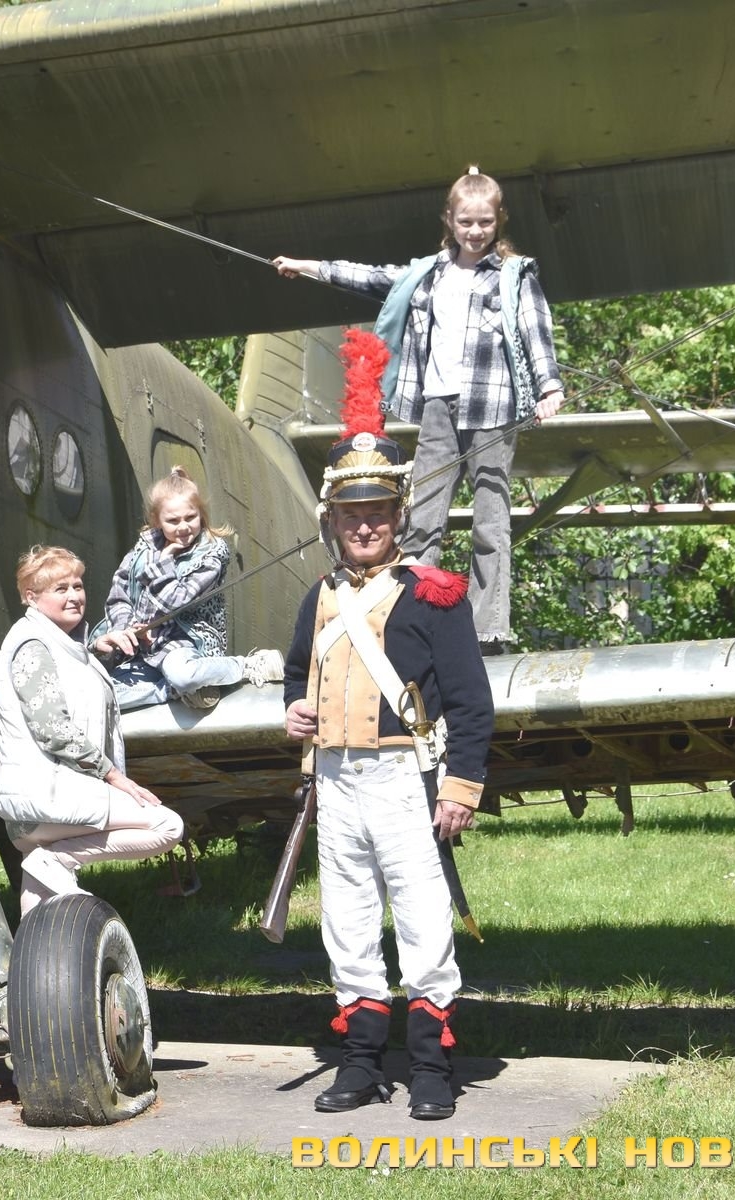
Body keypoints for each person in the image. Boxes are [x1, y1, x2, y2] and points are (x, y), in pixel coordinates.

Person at [281, 334, 495, 1120]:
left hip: (406, 777)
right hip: (335, 778)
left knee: (423, 920)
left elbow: (471, 702)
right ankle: (362, 1061)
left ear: (398, 515)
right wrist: (293, 712)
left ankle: (432, 1066)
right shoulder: (320, 598)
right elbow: (295, 674)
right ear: (332, 518)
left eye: (376, 513)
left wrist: (460, 788)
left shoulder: (434, 594)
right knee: (345, 921)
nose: (364, 526)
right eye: (352, 514)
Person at [272, 166, 566, 654]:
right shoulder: (428, 273)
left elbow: (537, 333)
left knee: (490, 521)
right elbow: (370, 277)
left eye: (485, 222)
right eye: (466, 222)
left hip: (492, 408)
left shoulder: (515, 276)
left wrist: (548, 387)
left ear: (499, 221)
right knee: (423, 514)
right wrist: (307, 267)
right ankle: (411, 614)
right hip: (437, 407)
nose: (475, 231)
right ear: (449, 220)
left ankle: (488, 627)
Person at [0, 545, 186, 917]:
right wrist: (113, 776)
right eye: (60, 589)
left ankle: (27, 949)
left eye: (77, 586)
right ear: (31, 596)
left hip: (37, 804)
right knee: (166, 826)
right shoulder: (32, 645)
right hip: (48, 798)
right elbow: (53, 729)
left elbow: (71, 689)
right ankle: (58, 859)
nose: (74, 596)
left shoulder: (57, 643)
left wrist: (98, 653)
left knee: (40, 899)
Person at [90, 467, 284, 710]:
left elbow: (177, 601)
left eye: (190, 518)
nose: (183, 527)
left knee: (184, 675)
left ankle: (247, 666)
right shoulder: (141, 550)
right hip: (144, 650)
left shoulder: (212, 553)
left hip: (185, 642)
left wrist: (163, 562)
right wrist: (127, 630)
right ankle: (171, 691)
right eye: (172, 521)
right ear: (156, 521)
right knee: (101, 694)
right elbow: (119, 595)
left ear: (201, 514)